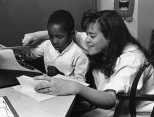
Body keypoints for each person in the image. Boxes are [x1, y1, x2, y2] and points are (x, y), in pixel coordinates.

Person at [22, 10, 154, 117]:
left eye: (92, 35)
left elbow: (110, 99)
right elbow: (69, 33)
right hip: (115, 109)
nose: (87, 39)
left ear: (110, 37)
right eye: (88, 35)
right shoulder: (99, 44)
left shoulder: (131, 58)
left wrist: (76, 87)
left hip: (135, 113)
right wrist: (37, 35)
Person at [22, 10, 89, 82]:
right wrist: (16, 53)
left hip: (67, 92)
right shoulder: (47, 45)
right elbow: (30, 54)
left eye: (59, 37)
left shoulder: (79, 56)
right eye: (51, 36)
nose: (54, 41)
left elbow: (81, 83)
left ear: (72, 34)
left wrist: (60, 75)